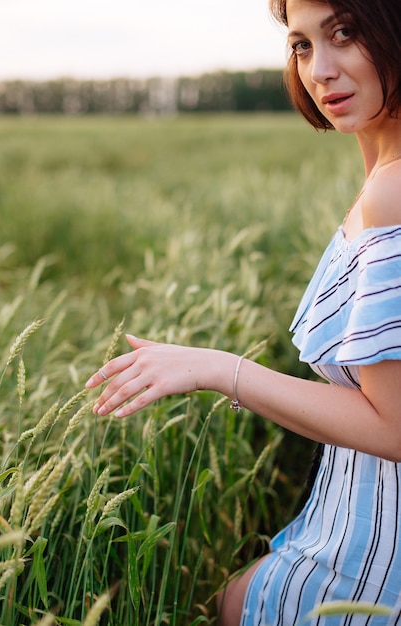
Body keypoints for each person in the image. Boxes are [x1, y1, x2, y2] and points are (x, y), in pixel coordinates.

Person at [86, 0, 401, 622]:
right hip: (343, 518)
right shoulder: (380, 177)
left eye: (345, 34)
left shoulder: (393, 192)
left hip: (378, 555)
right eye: (302, 44)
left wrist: (219, 369)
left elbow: (394, 427)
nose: (321, 70)